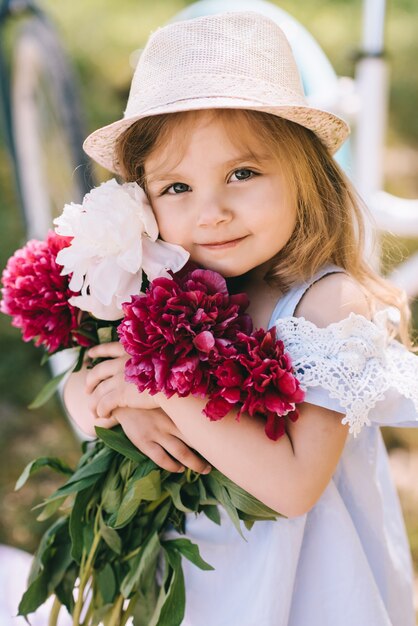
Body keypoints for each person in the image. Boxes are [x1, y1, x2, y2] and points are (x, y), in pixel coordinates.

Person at [64, 11, 418, 626]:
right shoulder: (157, 282)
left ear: (305, 177)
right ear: (143, 196)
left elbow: (293, 487)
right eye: (177, 187)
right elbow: (83, 389)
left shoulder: (325, 306)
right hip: (194, 583)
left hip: (304, 588)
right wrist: (111, 406)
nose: (213, 213)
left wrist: (161, 393)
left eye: (243, 174)